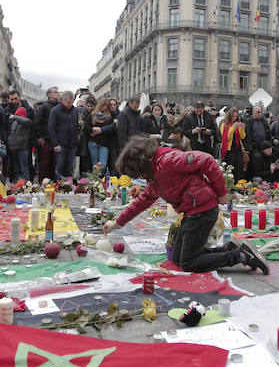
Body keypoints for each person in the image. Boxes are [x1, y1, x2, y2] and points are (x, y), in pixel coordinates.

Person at [103, 136, 269, 274]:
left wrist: (222, 192)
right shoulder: (153, 176)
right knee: (177, 258)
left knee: (188, 263)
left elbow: (207, 160)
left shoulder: (168, 160)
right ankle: (229, 248)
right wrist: (117, 223)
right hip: (191, 213)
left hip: (202, 210)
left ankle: (241, 257)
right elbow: (142, 201)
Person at [48, 90, 79, 180]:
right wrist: (55, 144)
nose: (71, 104)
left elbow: (76, 125)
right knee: (59, 167)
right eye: (69, 102)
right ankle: (59, 186)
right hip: (60, 143)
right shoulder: (55, 111)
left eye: (72, 101)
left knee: (69, 167)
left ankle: (68, 187)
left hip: (72, 143)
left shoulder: (74, 110)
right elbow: (51, 128)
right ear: (63, 100)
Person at [34, 86, 60, 181]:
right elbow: (37, 122)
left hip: (55, 139)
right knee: (45, 162)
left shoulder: (59, 106)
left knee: (53, 163)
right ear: (49, 95)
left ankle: (52, 182)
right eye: (55, 92)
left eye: (57, 92)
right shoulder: (44, 106)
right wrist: (39, 136)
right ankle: (42, 182)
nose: (57, 93)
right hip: (45, 138)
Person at [86, 98, 117, 170]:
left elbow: (111, 130)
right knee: (95, 164)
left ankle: (100, 178)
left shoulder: (109, 117)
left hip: (104, 143)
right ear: (99, 105)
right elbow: (86, 128)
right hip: (93, 142)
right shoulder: (92, 115)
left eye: (106, 105)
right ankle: (95, 180)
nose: (104, 107)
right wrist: (92, 129)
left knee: (103, 164)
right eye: (102, 105)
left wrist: (102, 130)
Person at [219, 108, 247, 180]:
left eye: (236, 116)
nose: (234, 118)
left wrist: (241, 128)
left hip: (238, 148)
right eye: (233, 116)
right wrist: (233, 127)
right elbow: (227, 137)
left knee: (239, 167)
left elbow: (243, 136)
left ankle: (238, 182)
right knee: (231, 167)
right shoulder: (223, 124)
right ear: (229, 116)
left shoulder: (237, 123)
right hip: (228, 149)